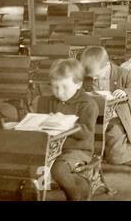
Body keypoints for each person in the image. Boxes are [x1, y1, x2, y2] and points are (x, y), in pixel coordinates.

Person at [80, 47, 131, 173]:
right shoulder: (88, 77)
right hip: (97, 119)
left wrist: (125, 92)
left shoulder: (122, 73)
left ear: (107, 66)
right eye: (90, 76)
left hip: (118, 120)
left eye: (96, 76)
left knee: (114, 158)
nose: (93, 79)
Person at [37, 59, 98, 201]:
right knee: (34, 164)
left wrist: (68, 124)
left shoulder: (87, 104)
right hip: (50, 147)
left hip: (78, 150)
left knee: (58, 170)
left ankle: (77, 194)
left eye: (64, 87)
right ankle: (41, 194)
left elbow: (87, 133)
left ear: (78, 84)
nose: (59, 92)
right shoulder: (49, 101)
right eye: (55, 87)